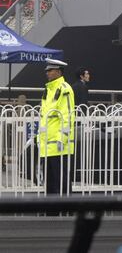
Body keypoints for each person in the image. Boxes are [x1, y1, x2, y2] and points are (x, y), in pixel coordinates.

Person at [38, 58, 75, 195]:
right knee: (49, 183)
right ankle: (51, 212)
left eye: (50, 70)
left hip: (59, 146)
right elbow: (44, 118)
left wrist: (62, 138)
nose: (47, 73)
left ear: (58, 72)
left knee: (62, 182)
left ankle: (68, 211)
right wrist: (38, 138)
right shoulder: (48, 90)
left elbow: (68, 116)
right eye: (46, 70)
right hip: (47, 145)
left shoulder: (64, 89)